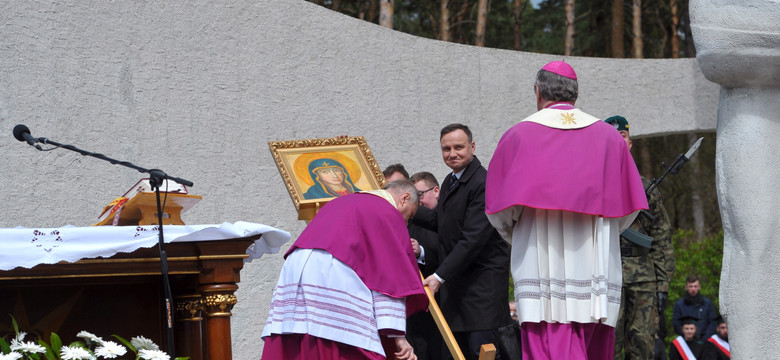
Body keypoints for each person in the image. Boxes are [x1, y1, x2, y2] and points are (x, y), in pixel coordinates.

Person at [485, 61, 648, 360]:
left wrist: (517, 232)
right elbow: (626, 210)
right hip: (596, 259)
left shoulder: (518, 135)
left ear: (538, 92)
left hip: (540, 255)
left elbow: (499, 210)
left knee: (547, 336)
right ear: (575, 93)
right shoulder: (611, 138)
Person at [261, 180, 428, 360]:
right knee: (345, 345)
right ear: (404, 198)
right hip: (333, 270)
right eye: (408, 216)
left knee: (299, 340)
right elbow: (390, 277)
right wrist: (398, 337)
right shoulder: (387, 211)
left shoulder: (338, 202)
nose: (405, 222)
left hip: (295, 269)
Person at [412, 123, 513, 360]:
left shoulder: (483, 183)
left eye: (459, 147)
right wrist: (407, 208)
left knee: (484, 353)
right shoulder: (450, 180)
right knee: (460, 353)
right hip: (458, 291)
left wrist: (438, 277)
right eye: (446, 149)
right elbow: (441, 221)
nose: (452, 153)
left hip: (481, 292)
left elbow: (472, 240)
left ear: (472, 146)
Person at [605, 115, 675, 360]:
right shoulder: (595, 187)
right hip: (607, 276)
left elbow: (662, 236)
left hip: (644, 278)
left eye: (622, 136)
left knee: (642, 346)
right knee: (608, 346)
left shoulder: (647, 188)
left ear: (630, 143)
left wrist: (662, 285)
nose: (618, 141)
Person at [407, 171, 445, 360]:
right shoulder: (411, 221)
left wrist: (421, 251)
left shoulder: (446, 218)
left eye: (420, 195)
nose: (418, 202)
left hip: (445, 302)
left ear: (436, 191)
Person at [672, 275, 717, 340]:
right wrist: (687, 336)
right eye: (690, 286)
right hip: (685, 342)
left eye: (695, 286)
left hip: (705, 341)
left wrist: (705, 339)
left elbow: (712, 323)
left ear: (699, 287)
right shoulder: (679, 305)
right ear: (686, 287)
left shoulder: (707, 304)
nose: (693, 289)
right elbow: (676, 324)